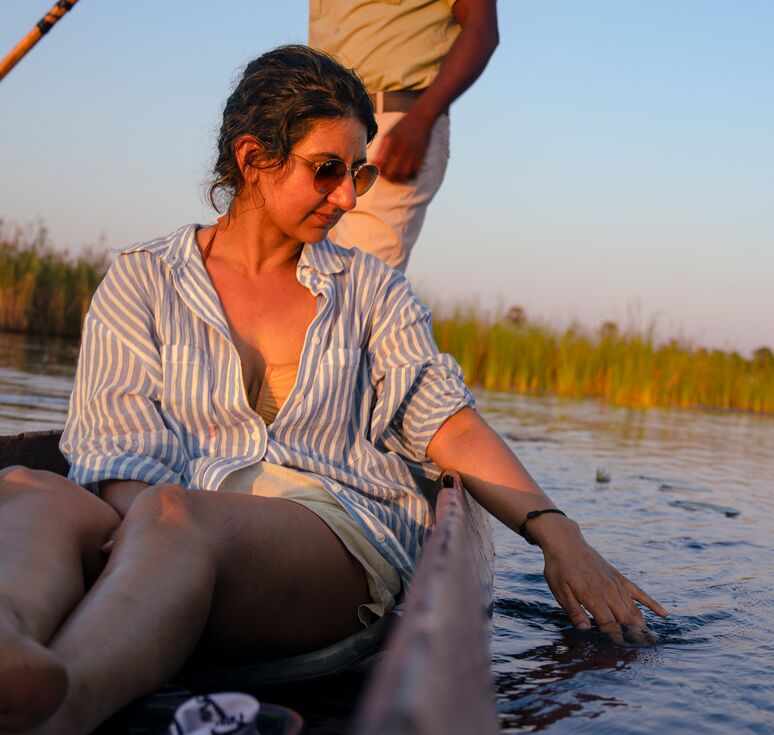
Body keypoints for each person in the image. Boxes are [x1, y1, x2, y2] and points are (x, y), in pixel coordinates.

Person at [0, 45, 664, 734]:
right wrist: (138, 538)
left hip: (324, 530)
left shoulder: (371, 291)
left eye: (358, 174)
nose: (347, 197)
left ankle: (63, 704)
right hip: (155, 525)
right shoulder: (143, 279)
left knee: (176, 518)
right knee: (28, 486)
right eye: (327, 171)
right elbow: (115, 448)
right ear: (254, 159)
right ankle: (11, 644)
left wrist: (560, 536)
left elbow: (449, 425)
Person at [309, 0, 499, 272]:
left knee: (358, 284)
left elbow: (482, 29)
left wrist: (421, 118)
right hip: (322, 123)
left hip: (392, 123)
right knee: (306, 278)